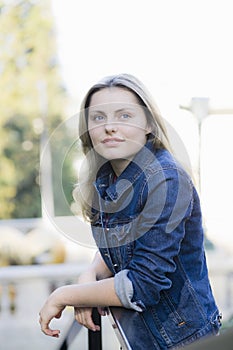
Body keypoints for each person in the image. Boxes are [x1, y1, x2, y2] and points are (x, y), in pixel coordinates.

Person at [39, 73, 221, 349]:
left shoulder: (166, 179)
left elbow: (144, 284)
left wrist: (66, 295)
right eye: (98, 117)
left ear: (148, 123)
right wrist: (89, 274)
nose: (110, 127)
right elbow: (123, 241)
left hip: (183, 340)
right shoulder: (107, 177)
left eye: (124, 116)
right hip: (140, 338)